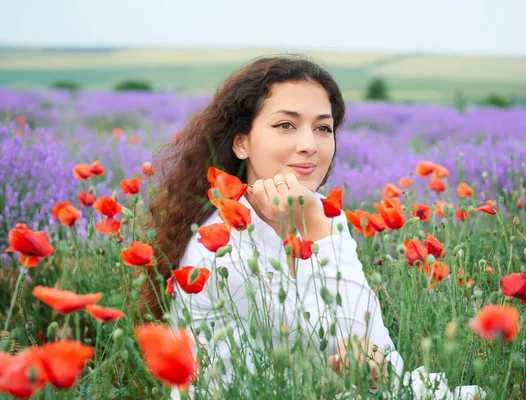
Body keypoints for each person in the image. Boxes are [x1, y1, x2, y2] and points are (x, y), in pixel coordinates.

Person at [143, 55, 484, 399]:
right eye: (285, 125)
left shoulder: (319, 212)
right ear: (241, 142)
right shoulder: (219, 247)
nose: (309, 145)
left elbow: (379, 358)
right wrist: (318, 230)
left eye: (323, 128)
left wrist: (369, 366)